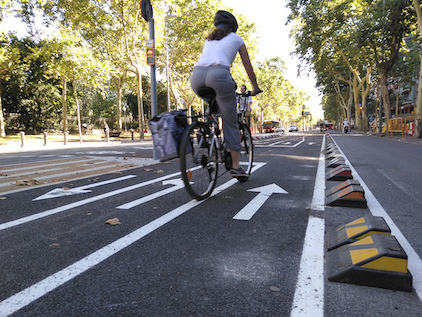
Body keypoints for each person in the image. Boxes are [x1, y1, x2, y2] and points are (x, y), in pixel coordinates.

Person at [190, 10, 262, 178]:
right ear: (233, 27)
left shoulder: (209, 40)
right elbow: (248, 66)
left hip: (197, 77)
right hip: (219, 76)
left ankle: (205, 129)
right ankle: (236, 167)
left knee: (212, 104)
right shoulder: (237, 39)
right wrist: (255, 87)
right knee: (230, 123)